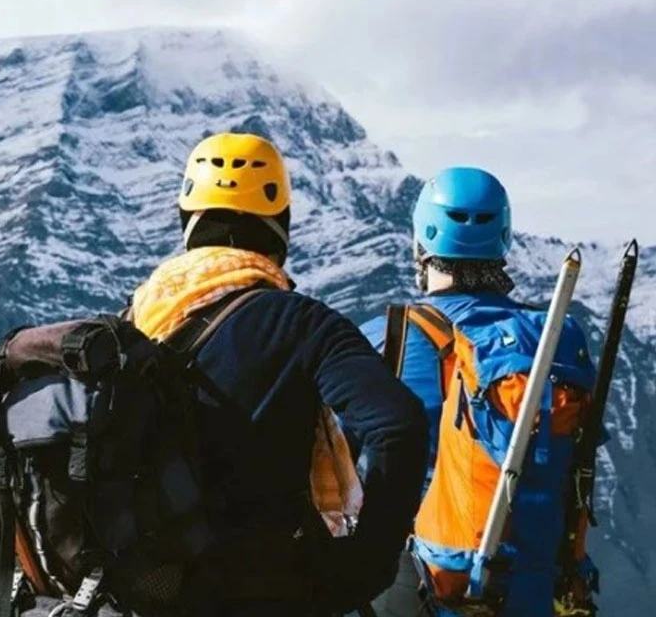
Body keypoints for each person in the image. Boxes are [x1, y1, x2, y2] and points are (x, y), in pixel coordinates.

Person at [125, 132, 430, 616]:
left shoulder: (135, 323)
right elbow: (398, 424)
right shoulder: (301, 323)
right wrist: (368, 565)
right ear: (280, 226)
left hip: (154, 594)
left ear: (187, 222)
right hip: (272, 590)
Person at [359, 167, 599, 616]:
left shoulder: (386, 337)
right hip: (538, 573)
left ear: (421, 245)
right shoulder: (555, 339)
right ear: (503, 241)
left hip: (423, 575)